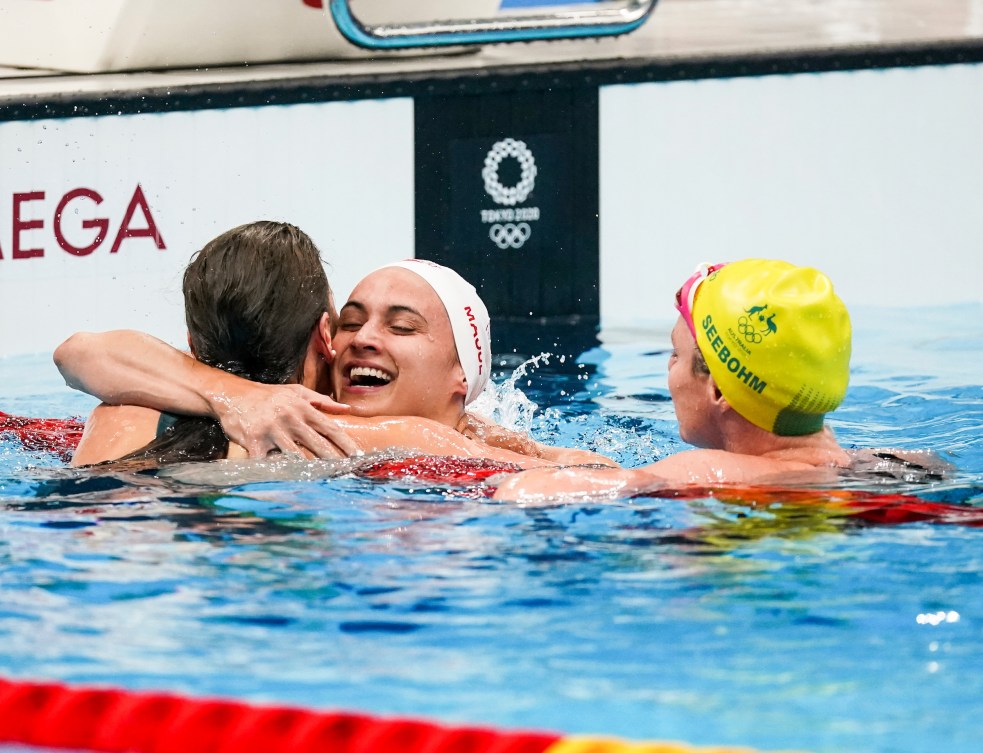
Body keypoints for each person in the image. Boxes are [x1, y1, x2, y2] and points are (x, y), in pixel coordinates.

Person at [58, 221, 610, 468]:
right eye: (352, 321)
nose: (364, 340)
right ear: (326, 337)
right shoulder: (379, 437)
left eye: (401, 326)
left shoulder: (121, 412)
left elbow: (77, 353)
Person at [492, 258, 856, 500]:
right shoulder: (871, 465)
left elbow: (522, 492)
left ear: (718, 389)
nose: (669, 369)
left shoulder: (708, 472)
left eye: (675, 354)